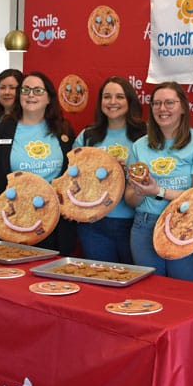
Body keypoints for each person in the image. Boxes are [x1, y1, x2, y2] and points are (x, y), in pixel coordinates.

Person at [124, 82, 193, 281]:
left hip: (186, 225)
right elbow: (130, 199)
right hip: (144, 225)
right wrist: (140, 191)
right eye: (156, 103)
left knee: (184, 293)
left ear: (183, 107)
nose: (162, 109)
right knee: (149, 294)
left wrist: (158, 190)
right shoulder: (139, 146)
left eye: (169, 103)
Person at [0, 71, 76, 254]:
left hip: (54, 223)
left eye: (38, 90)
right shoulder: (0, 131)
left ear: (49, 98)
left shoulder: (63, 130)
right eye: (26, 90)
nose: (31, 95)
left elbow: (72, 172)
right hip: (14, 218)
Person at [73, 76, 146, 263]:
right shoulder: (87, 136)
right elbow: (72, 177)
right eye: (107, 97)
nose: (113, 102)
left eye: (120, 97)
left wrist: (126, 171)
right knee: (101, 281)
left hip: (134, 222)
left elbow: (155, 174)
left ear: (130, 101)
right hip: (93, 222)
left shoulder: (145, 134)